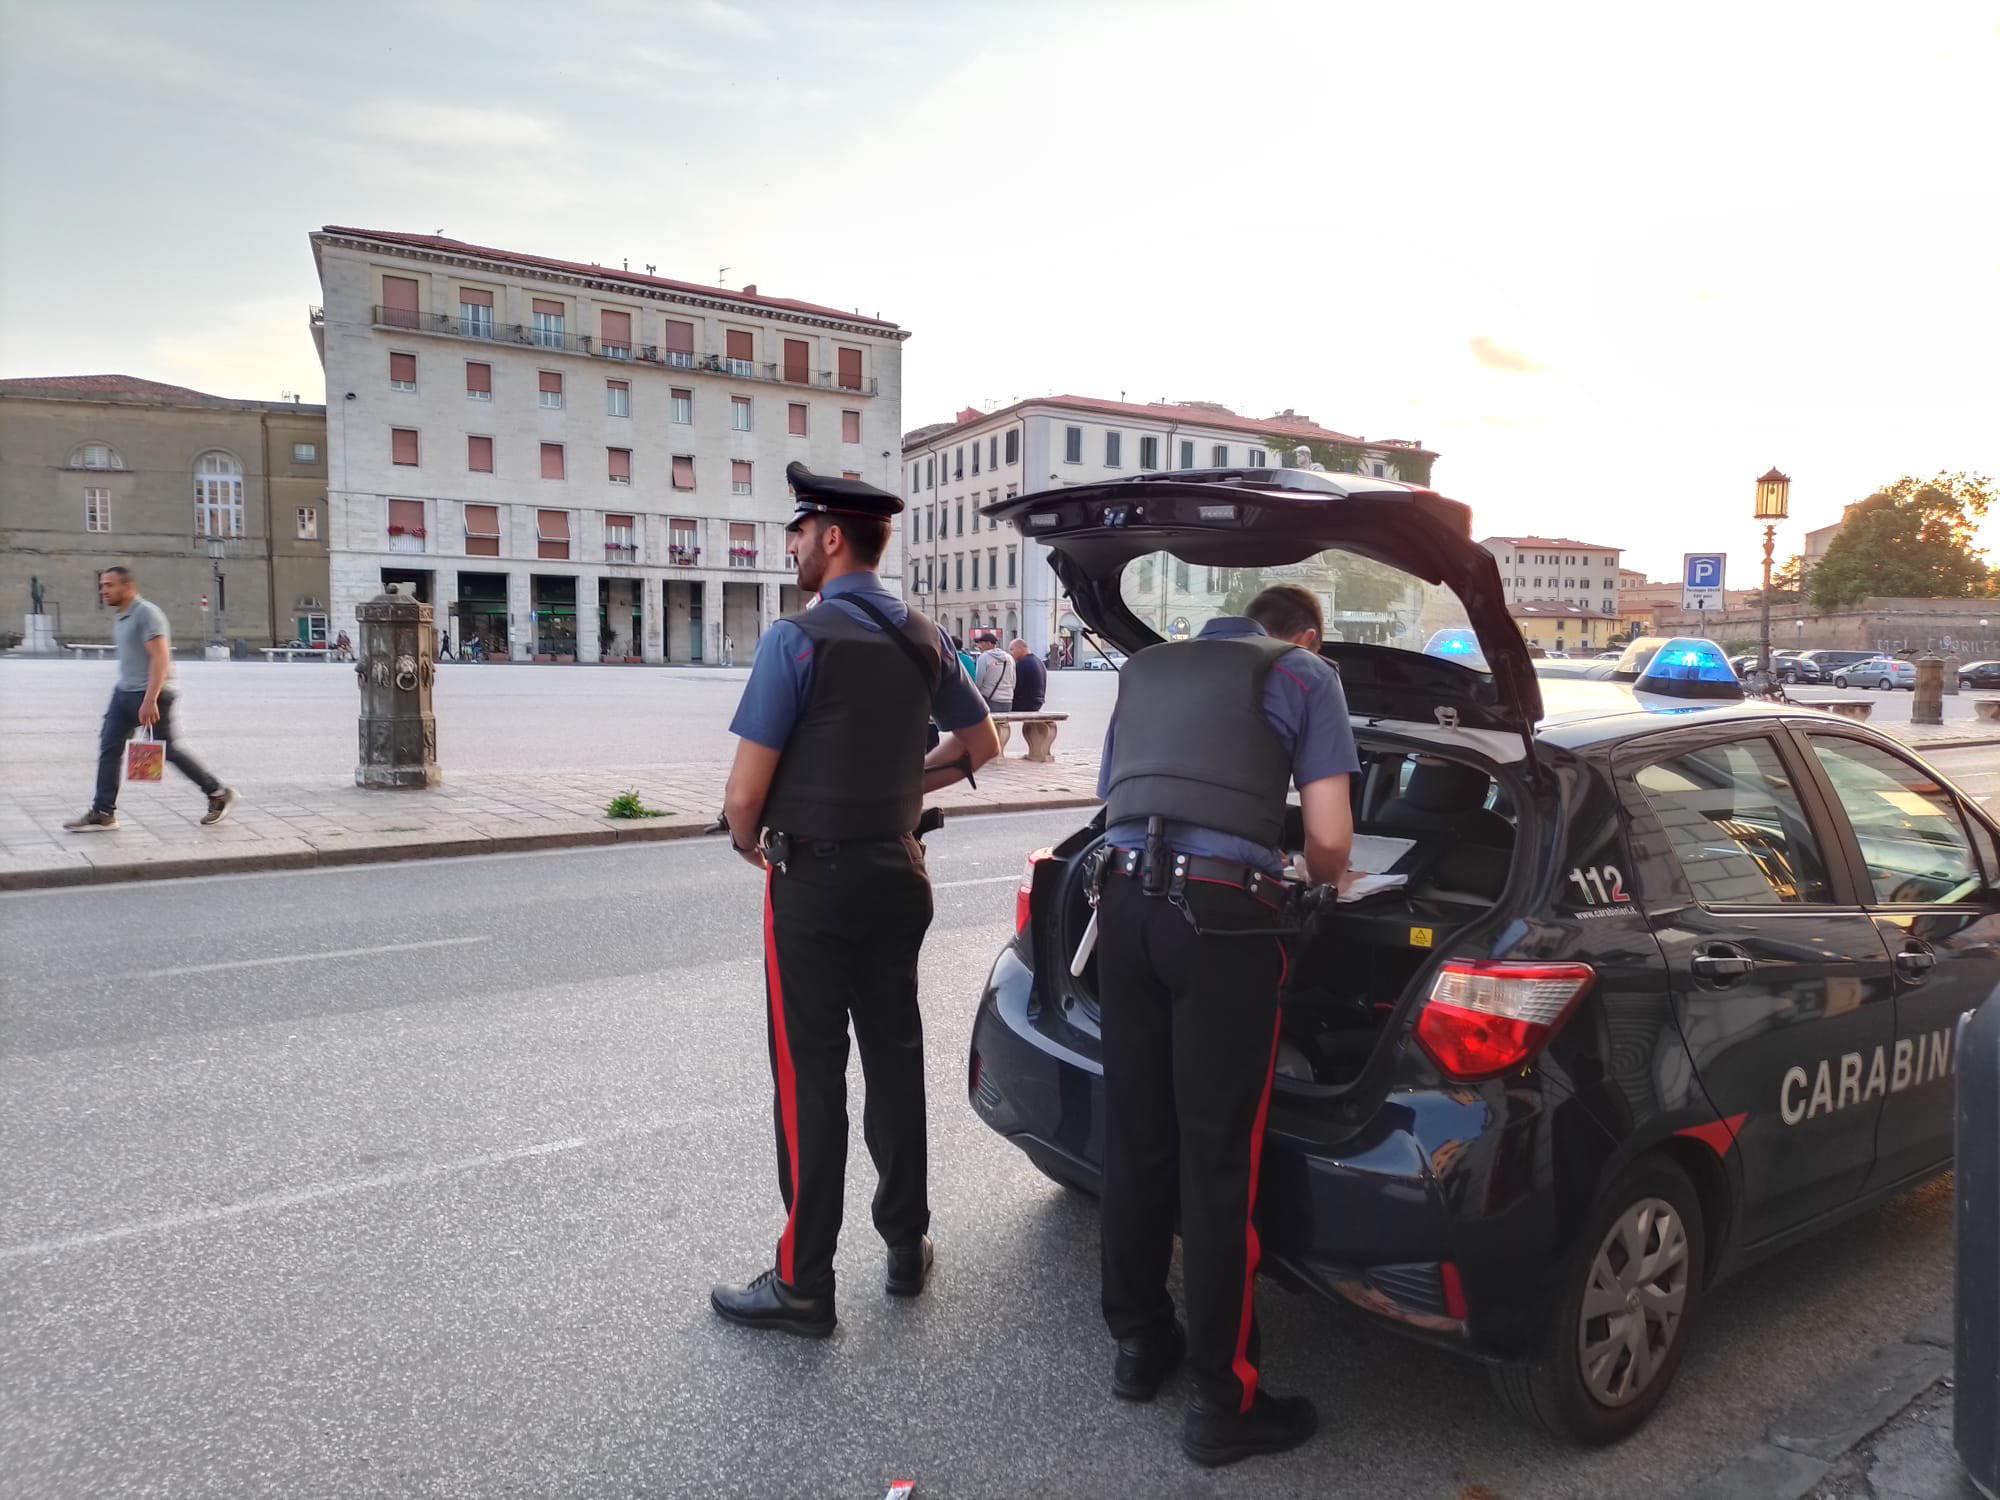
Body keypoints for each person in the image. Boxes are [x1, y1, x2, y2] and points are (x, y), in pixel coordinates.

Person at [712, 462, 1001, 1339]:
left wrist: (747, 840)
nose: (793, 546)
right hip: (899, 871)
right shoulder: (924, 636)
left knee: (809, 1076)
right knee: (895, 1059)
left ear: (832, 537)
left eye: (798, 532)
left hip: (815, 881)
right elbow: (981, 741)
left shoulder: (797, 639)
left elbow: (742, 797)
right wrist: (893, 788)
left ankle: (804, 1284)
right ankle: (905, 1246)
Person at [1092, 583, 1355, 1468]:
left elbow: (1116, 800)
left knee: (1136, 1134)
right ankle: (1225, 1398)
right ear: (1307, 636)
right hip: (1221, 922)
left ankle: (1139, 1342)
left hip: (1123, 902)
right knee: (1217, 1160)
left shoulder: (1149, 670)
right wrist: (1320, 880)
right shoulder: (1306, 676)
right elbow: (1328, 838)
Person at [63, 566, 236, 833]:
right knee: (109, 748)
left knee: (168, 750)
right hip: (123, 694)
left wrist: (150, 699)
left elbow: (161, 658)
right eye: (102, 585)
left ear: (127, 586)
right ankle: (103, 812)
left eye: (109, 585)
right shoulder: (122, 616)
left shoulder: (147, 614)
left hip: (152, 695)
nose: (103, 590)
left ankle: (218, 793)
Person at [973, 630, 1016, 712]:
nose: (978, 646)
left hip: (990, 699)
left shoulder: (984, 657)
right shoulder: (1009, 657)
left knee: (990, 724)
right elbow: (1013, 681)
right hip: (1008, 700)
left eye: (981, 643)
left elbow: (979, 681)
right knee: (1003, 724)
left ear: (989, 643)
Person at [1008, 637, 1047, 713]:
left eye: (1012, 649)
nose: (1010, 653)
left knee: (997, 706)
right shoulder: (1039, 662)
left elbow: (1015, 686)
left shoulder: (1022, 664)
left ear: (1020, 648)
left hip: (1024, 703)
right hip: (1038, 702)